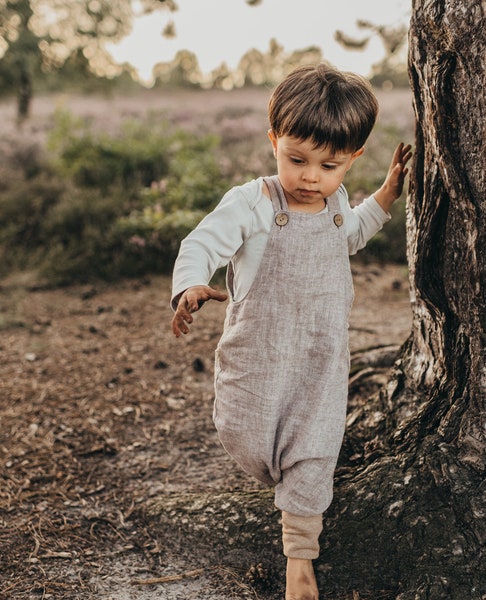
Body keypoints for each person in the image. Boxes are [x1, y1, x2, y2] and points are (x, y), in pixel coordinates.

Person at [171, 63, 412, 600]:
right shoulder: (255, 202)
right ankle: (284, 481)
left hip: (321, 359)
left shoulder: (337, 203)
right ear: (273, 141)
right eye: (296, 159)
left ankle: (299, 557)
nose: (310, 177)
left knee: (315, 448)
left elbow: (351, 235)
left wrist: (389, 193)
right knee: (249, 437)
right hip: (256, 358)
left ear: (353, 158)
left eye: (329, 166)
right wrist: (189, 286)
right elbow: (201, 244)